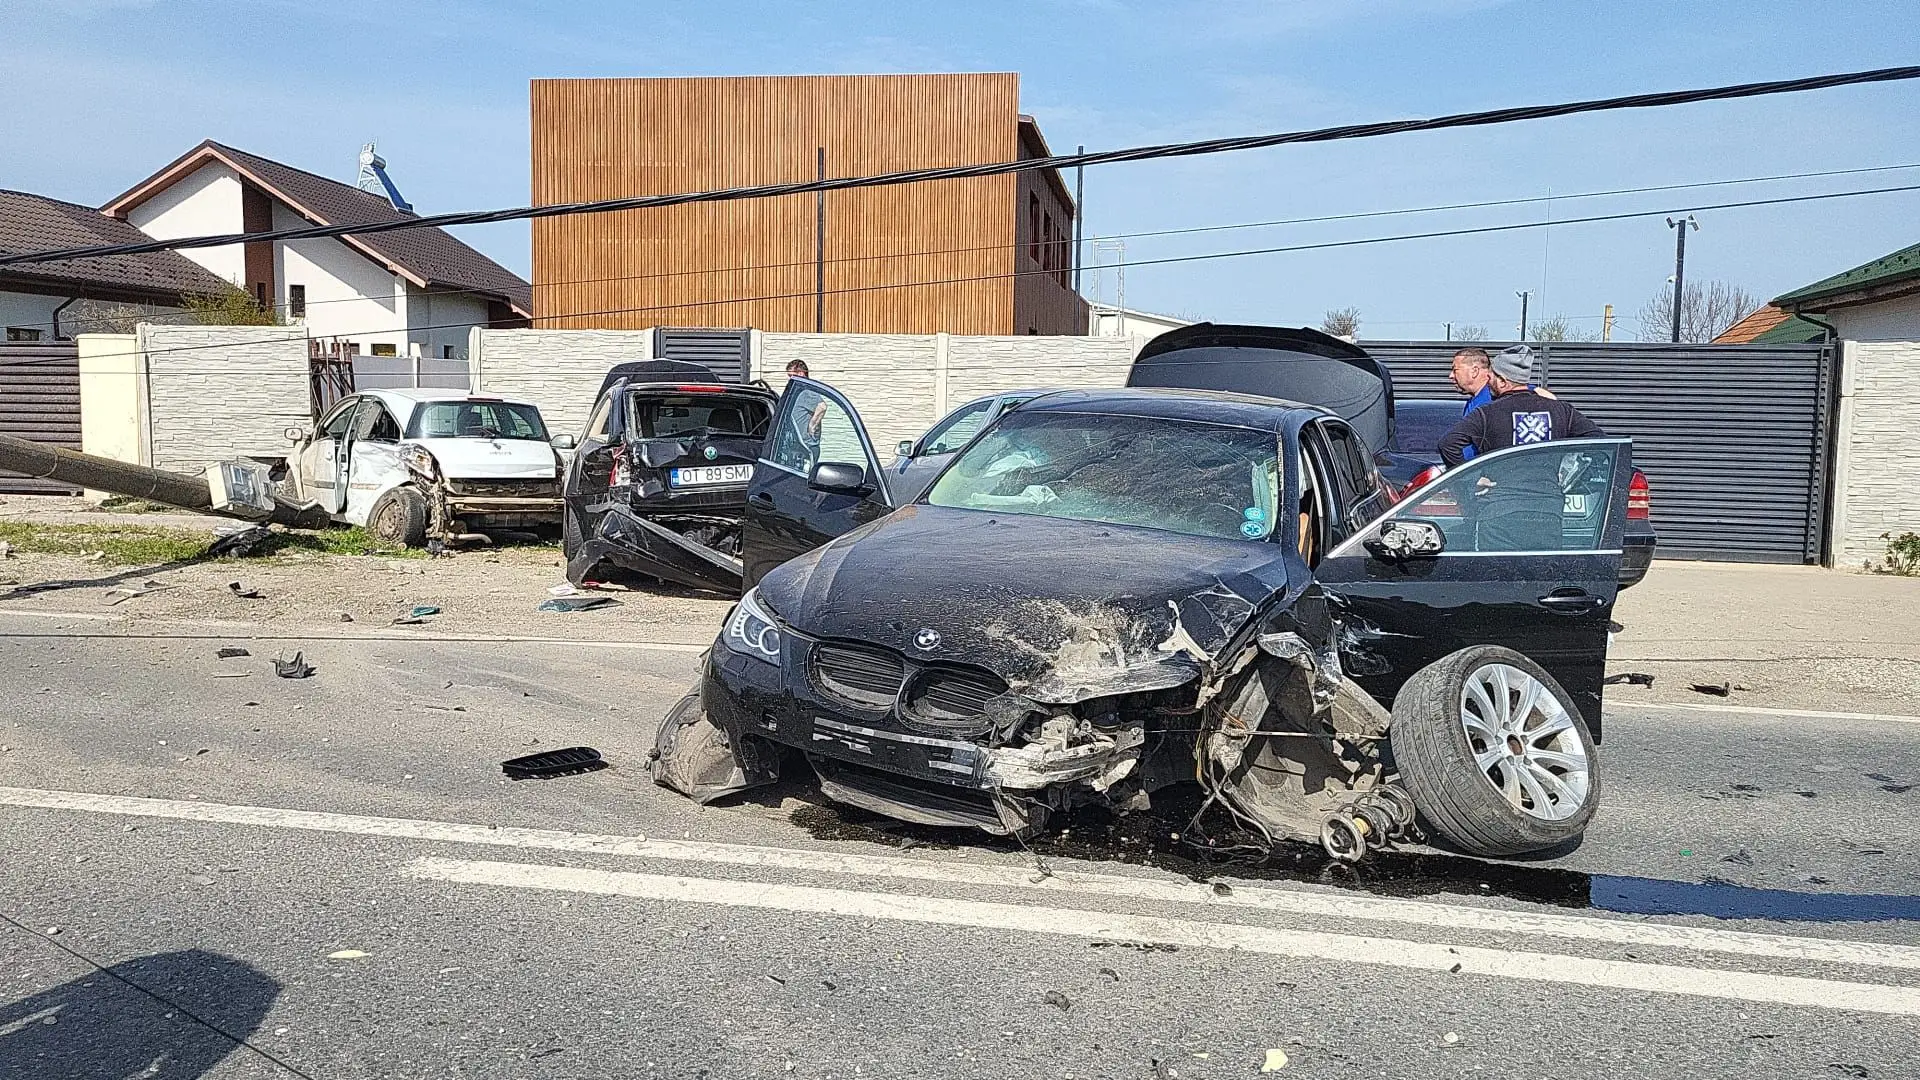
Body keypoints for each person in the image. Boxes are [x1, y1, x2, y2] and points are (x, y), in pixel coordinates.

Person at [1436, 345, 1604, 550]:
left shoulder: (1488, 413)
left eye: (1492, 376)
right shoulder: (1561, 410)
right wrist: (1573, 479)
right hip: (1547, 513)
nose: (1488, 380)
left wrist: (1472, 478)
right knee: (1541, 570)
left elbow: (1448, 443)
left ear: (1502, 381)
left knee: (1497, 570)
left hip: (1499, 513)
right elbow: (1600, 443)